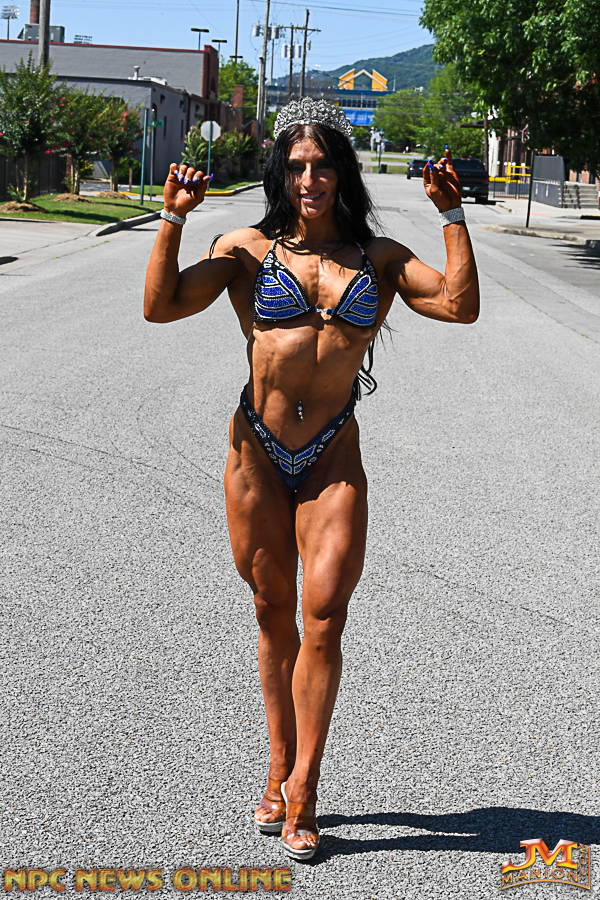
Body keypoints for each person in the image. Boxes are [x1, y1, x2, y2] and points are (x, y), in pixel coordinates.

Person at [143, 98, 479, 861]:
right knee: (273, 613)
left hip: (331, 456)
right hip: (257, 453)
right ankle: (276, 765)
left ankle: (305, 789)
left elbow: (460, 306)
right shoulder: (247, 250)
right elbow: (161, 307)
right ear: (280, 174)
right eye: (296, 166)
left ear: (342, 172)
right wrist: (171, 220)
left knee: (323, 616)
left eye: (323, 165)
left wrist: (452, 217)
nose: (309, 179)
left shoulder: (378, 258)